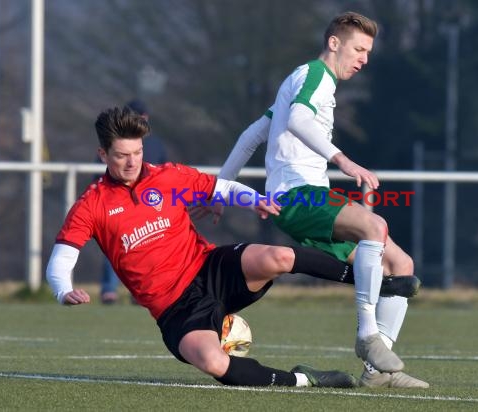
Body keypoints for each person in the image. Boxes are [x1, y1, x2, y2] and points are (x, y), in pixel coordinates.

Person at [45, 105, 360, 388]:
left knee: (277, 256)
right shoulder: (91, 205)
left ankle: (369, 280)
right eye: (121, 155)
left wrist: (254, 201)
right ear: (103, 155)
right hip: (174, 308)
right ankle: (306, 379)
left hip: (209, 269)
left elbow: (221, 188)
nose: (132, 162)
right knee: (214, 362)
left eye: (137, 152)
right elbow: (61, 259)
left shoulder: (168, 176)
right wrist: (63, 290)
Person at [213, 11, 428, 388]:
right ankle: (367, 336)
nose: (363, 59)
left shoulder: (299, 79)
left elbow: (252, 134)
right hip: (298, 196)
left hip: (309, 197)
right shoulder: (316, 76)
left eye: (368, 52)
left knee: (399, 263)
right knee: (375, 225)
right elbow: (297, 119)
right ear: (334, 43)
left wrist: (219, 190)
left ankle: (377, 374)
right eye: (359, 49)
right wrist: (342, 159)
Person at [99, 99, 168, 304]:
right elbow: (102, 172)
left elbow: (164, 174)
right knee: (115, 245)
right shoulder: (113, 141)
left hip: (146, 202)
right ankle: (109, 289)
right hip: (117, 199)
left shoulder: (155, 144)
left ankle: (140, 290)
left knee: (146, 245)